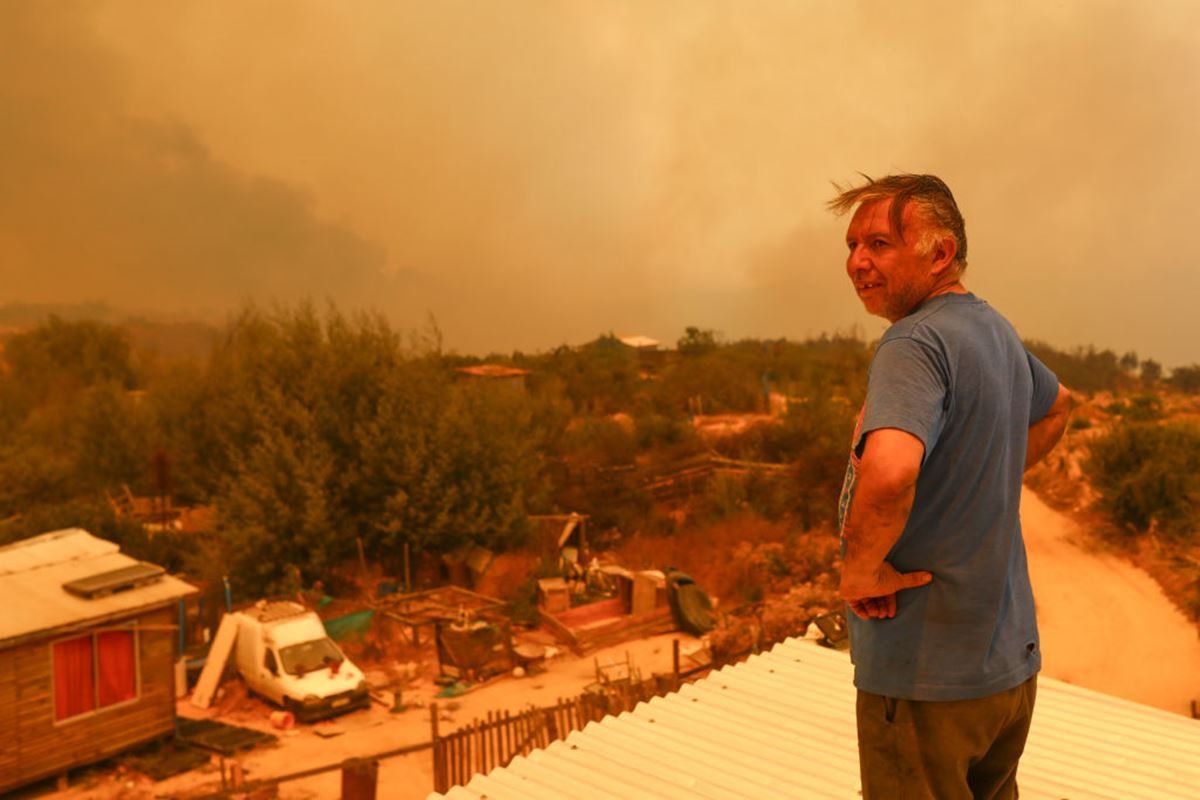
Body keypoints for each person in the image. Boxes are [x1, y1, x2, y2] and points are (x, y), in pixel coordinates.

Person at [828, 174, 1074, 799]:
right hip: (1006, 675)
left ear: (939, 254)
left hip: (926, 677)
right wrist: (981, 478)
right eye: (853, 245)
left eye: (879, 243)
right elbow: (1059, 404)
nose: (857, 261)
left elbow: (888, 471)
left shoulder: (914, 342)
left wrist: (861, 572)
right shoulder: (992, 330)